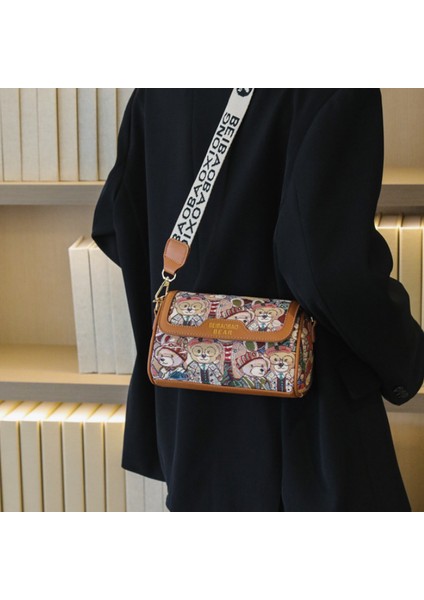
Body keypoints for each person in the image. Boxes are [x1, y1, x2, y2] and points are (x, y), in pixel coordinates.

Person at [91, 88, 424, 512]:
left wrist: (200, 308)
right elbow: (326, 268)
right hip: (307, 428)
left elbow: (116, 223)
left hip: (187, 416)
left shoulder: (154, 90)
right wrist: (407, 358)